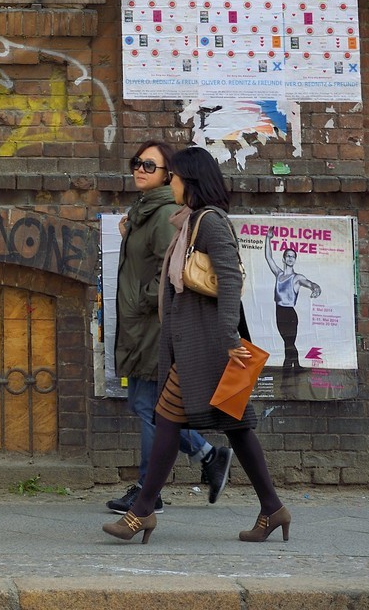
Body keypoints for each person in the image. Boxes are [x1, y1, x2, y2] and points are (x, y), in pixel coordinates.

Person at [103, 146, 291, 546]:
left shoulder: (210, 222)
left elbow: (230, 277)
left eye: (173, 177)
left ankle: (141, 513)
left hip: (210, 348)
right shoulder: (188, 222)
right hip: (193, 347)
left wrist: (227, 337)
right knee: (222, 427)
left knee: (204, 425)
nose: (169, 181)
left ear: (189, 181)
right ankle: (272, 508)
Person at [109, 140, 232, 515]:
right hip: (140, 324)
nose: (140, 170)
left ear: (169, 175)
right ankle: (208, 454)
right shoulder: (145, 212)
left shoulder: (164, 214)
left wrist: (144, 300)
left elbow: (169, 268)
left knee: (150, 405)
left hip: (154, 324)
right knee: (143, 403)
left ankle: (150, 491)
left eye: (150, 165)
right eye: (137, 163)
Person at [264, 230, 321, 373]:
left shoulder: (297, 278)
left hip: (290, 315)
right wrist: (267, 239)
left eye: (293, 256)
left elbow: (309, 283)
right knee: (287, 342)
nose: (290, 258)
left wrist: (316, 287)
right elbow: (268, 257)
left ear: (295, 260)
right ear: (283, 259)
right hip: (279, 314)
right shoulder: (278, 274)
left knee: (289, 343)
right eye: (288, 256)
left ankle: (287, 369)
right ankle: (298, 366)